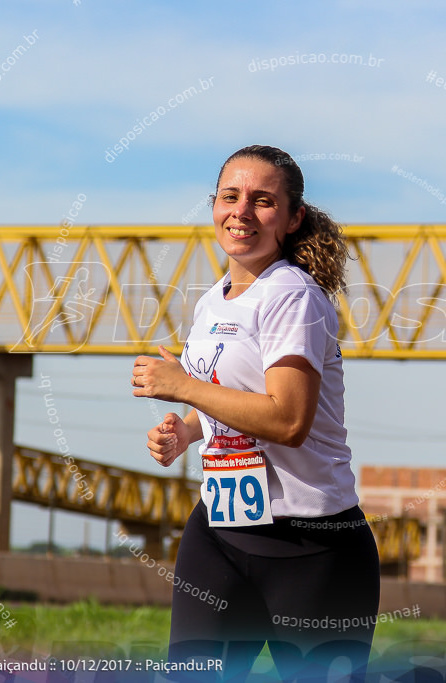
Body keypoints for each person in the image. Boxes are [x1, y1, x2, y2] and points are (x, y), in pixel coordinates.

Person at [131, 145, 380, 681]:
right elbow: (228, 402)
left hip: (312, 549)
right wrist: (187, 432)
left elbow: (288, 422)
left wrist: (186, 387)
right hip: (219, 533)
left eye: (262, 201)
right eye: (230, 196)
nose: (241, 211)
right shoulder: (212, 301)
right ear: (214, 206)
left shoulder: (294, 296)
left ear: (291, 220)